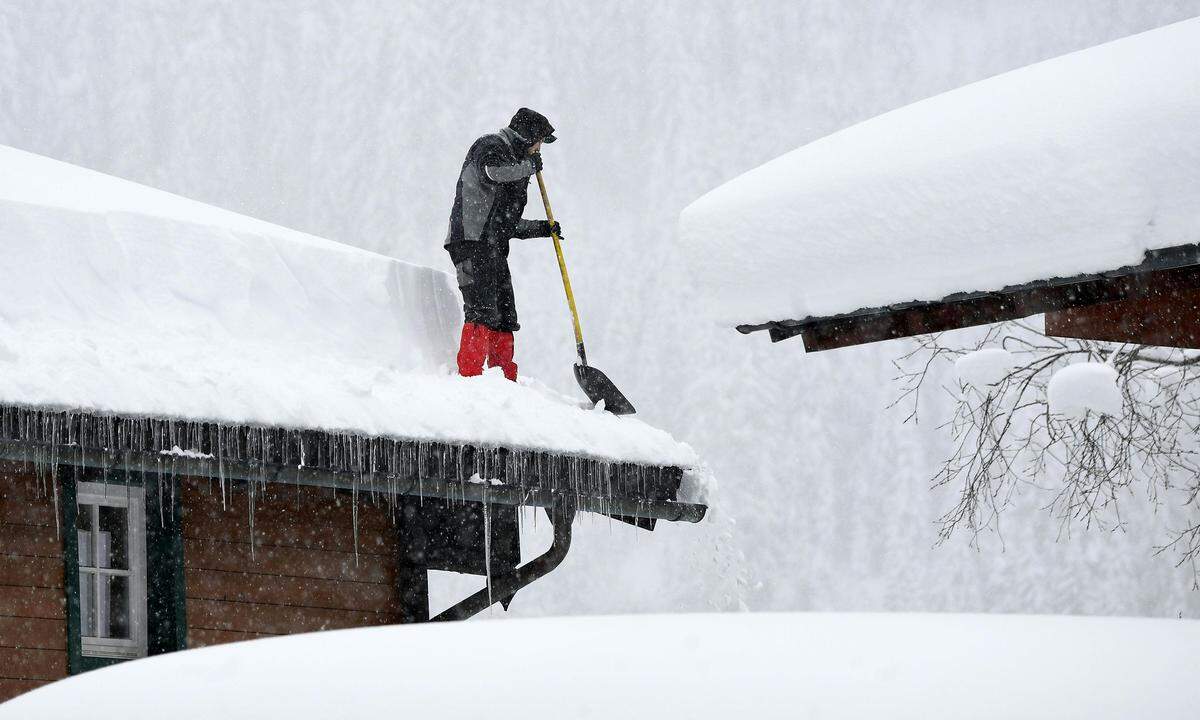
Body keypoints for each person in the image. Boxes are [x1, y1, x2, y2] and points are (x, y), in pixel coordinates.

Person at [444, 107, 562, 382]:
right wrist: (528, 168)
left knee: (505, 313)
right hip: (471, 242)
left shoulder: (516, 168)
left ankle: (502, 381)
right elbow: (491, 172)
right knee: (482, 309)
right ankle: (470, 377)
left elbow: (508, 223)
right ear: (526, 136)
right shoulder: (491, 145)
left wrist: (543, 229)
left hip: (493, 247)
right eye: (539, 140)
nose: (539, 148)